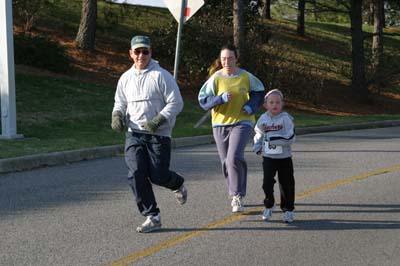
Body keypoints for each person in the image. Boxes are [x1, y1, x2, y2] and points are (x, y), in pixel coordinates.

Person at [111, 35, 187, 233]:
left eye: (145, 51)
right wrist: (117, 115)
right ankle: (152, 216)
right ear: (131, 53)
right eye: (137, 51)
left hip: (158, 135)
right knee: (135, 174)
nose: (141, 55)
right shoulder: (125, 78)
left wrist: (159, 120)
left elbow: (176, 103)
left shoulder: (161, 76)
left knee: (158, 176)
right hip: (134, 134)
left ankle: (177, 183)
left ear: (151, 52)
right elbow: (120, 102)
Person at [198, 44, 265, 213]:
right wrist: (219, 99)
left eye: (230, 58)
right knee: (225, 161)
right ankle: (234, 192)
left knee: (234, 157)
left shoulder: (246, 77)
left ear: (236, 59)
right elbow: (203, 100)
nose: (227, 61)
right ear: (220, 60)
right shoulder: (215, 78)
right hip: (220, 123)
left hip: (242, 121)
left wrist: (250, 107)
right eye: (223, 59)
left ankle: (237, 195)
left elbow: (259, 92)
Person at [253, 89, 296, 223]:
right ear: (265, 105)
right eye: (271, 102)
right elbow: (258, 133)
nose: (274, 105)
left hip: (284, 158)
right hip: (268, 157)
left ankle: (288, 210)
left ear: (282, 104)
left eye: (277, 102)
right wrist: (257, 146)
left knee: (286, 184)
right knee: (267, 183)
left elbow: (290, 137)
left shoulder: (286, 119)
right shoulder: (263, 119)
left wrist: (273, 138)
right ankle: (269, 205)